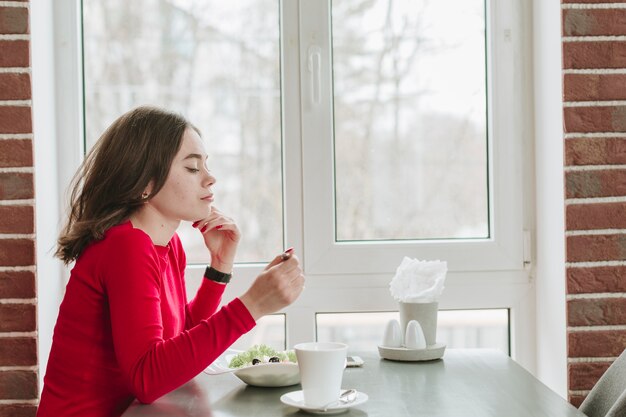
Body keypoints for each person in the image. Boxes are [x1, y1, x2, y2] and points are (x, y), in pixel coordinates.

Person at [36, 106, 305, 417]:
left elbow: (174, 346)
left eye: (206, 166)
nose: (210, 178)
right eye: (193, 169)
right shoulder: (125, 245)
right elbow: (148, 378)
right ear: (144, 183)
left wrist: (219, 267)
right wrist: (253, 305)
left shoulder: (167, 245)